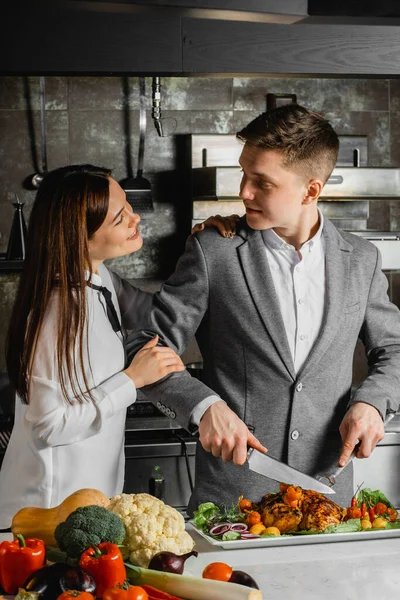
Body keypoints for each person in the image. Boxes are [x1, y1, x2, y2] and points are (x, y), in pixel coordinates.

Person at [123, 104, 400, 512]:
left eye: (262, 183)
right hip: (233, 505)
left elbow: (394, 350)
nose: (244, 192)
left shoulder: (361, 259)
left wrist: (372, 403)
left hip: (328, 501)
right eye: (243, 174)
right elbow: (144, 346)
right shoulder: (213, 251)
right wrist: (203, 407)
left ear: (311, 190)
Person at [0, 164, 235, 528]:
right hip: (45, 516)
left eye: (128, 206)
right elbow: (48, 427)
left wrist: (203, 246)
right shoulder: (56, 312)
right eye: (120, 217)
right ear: (81, 235)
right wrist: (132, 380)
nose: (135, 218)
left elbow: (161, 312)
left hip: (87, 508)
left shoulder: (100, 278)